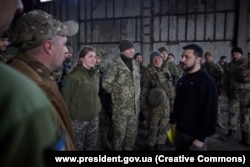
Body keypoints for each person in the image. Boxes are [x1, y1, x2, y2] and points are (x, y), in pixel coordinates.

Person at [8, 9, 79, 150]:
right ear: (48, 47)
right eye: (64, 44)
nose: (66, 51)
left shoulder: (34, 77)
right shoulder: (31, 95)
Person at [0, 1, 60, 167]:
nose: (20, 5)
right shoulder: (26, 95)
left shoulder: (39, 78)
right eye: (64, 44)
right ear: (49, 47)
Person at [168, 44, 218, 151]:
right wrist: (172, 120)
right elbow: (178, 102)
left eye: (187, 57)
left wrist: (201, 137)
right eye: (182, 56)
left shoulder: (207, 82)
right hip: (180, 131)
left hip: (195, 137)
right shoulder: (183, 79)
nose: (182, 59)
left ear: (198, 59)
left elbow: (210, 111)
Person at [102, 39, 141, 151]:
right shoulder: (115, 65)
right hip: (121, 110)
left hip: (134, 109)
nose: (132, 50)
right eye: (128, 48)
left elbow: (137, 84)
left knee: (131, 136)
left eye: (132, 48)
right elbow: (106, 84)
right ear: (122, 50)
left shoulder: (135, 64)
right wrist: (118, 92)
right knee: (119, 136)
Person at [62, 46, 101, 151]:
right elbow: (65, 100)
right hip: (78, 120)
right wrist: (67, 120)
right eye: (90, 56)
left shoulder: (95, 74)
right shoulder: (73, 77)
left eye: (95, 57)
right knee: (77, 147)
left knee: (91, 146)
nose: (94, 59)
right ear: (82, 59)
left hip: (94, 117)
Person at [140, 51, 175, 151]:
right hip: (154, 106)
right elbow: (144, 90)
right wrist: (144, 109)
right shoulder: (148, 71)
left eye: (158, 58)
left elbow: (170, 87)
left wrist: (173, 103)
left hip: (167, 104)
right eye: (154, 58)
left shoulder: (166, 70)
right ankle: (151, 144)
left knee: (164, 125)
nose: (157, 60)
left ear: (162, 59)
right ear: (151, 60)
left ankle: (160, 143)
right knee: (153, 126)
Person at [226, 47, 250, 146]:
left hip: (247, 93)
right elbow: (226, 81)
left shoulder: (248, 64)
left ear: (241, 54)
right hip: (233, 93)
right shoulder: (229, 66)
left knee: (245, 115)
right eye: (234, 54)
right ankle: (231, 132)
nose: (235, 56)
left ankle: (245, 137)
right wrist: (226, 94)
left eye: (237, 54)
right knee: (232, 113)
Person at [201, 51, 224, 129]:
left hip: (215, 89)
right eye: (206, 57)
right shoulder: (202, 66)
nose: (207, 58)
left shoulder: (216, 66)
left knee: (216, 107)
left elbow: (221, 78)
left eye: (209, 56)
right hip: (204, 89)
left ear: (211, 57)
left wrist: (220, 89)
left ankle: (218, 122)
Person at [96, 48, 113, 150]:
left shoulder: (105, 67)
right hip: (95, 97)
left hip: (105, 97)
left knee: (105, 119)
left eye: (99, 58)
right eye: (96, 57)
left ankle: (104, 139)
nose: (97, 60)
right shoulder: (91, 68)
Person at [133, 52, 147, 128]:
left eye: (140, 58)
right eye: (137, 57)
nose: (139, 59)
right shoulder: (132, 68)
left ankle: (142, 121)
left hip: (142, 91)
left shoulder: (144, 68)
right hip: (134, 92)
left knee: (142, 107)